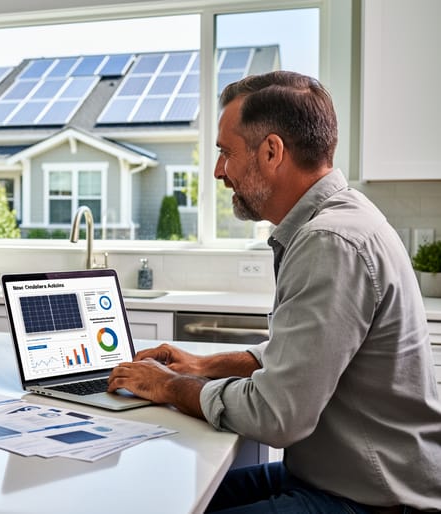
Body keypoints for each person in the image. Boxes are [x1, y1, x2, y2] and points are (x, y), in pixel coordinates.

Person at [108, 71, 441, 512]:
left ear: (271, 151)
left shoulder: (330, 241)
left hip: (373, 499)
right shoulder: (339, 218)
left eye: (226, 153)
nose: (217, 170)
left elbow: (276, 414)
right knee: (169, 499)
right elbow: (304, 357)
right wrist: (205, 364)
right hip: (342, 475)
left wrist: (171, 387)